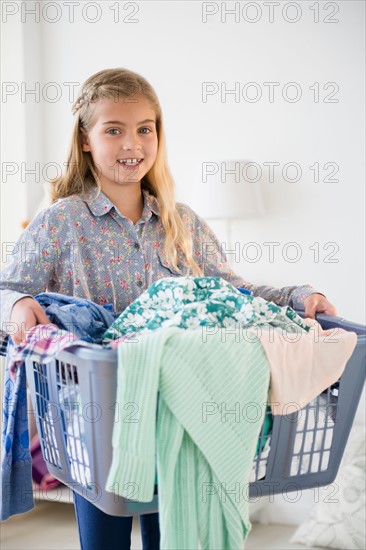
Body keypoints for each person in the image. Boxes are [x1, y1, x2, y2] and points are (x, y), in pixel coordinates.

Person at [0, 68, 337, 549]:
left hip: (179, 412)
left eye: (145, 128)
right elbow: (7, 288)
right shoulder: (62, 221)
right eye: (113, 129)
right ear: (86, 139)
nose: (131, 142)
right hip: (95, 421)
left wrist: (295, 297)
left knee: (175, 536)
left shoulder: (183, 224)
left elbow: (232, 293)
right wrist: (19, 306)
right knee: (106, 540)